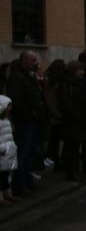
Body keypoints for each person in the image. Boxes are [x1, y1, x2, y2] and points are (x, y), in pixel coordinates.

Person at [6, 51, 45, 196]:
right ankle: (20, 185)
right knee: (22, 153)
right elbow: (17, 101)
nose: (35, 63)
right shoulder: (17, 78)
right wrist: (31, 113)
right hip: (25, 121)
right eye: (33, 60)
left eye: (36, 60)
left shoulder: (29, 76)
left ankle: (28, 181)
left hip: (32, 120)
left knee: (29, 153)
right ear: (24, 61)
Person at [57, 61, 86, 181]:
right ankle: (71, 172)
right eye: (79, 70)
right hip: (72, 121)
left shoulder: (78, 83)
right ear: (73, 71)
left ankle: (75, 170)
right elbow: (65, 103)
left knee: (75, 147)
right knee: (71, 147)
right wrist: (76, 115)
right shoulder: (66, 85)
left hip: (79, 120)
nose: (82, 72)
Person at [44, 59, 66, 171]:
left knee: (55, 141)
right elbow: (51, 101)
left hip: (54, 116)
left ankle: (57, 161)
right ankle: (58, 162)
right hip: (58, 116)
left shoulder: (49, 81)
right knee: (57, 140)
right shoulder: (55, 83)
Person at [0, 95, 19, 205]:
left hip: (7, 151)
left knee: (5, 174)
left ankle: (8, 194)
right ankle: (1, 197)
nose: (10, 108)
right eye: (8, 106)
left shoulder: (6, 119)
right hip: (3, 151)